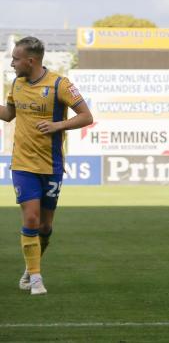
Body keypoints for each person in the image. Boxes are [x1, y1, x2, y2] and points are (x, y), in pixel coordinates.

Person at [0, 36, 93, 295]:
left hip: (51, 165)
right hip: (23, 164)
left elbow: (87, 116)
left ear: (30, 61)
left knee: (45, 227)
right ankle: (37, 278)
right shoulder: (16, 84)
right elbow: (9, 115)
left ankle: (31, 267)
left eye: (16, 59)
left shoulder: (59, 85)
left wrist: (58, 125)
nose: (12, 63)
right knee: (30, 217)